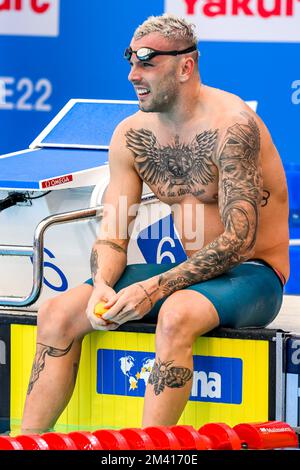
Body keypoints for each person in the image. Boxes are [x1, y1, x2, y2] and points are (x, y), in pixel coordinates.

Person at [21, 13, 289, 432]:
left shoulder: (233, 127)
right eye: (130, 60)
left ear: (186, 66)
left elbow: (239, 239)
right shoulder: (132, 135)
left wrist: (155, 287)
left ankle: (151, 453)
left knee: (176, 313)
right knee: (57, 312)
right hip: (189, 275)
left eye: (147, 62)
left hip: (252, 275)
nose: (133, 75)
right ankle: (27, 442)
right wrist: (106, 283)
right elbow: (113, 232)